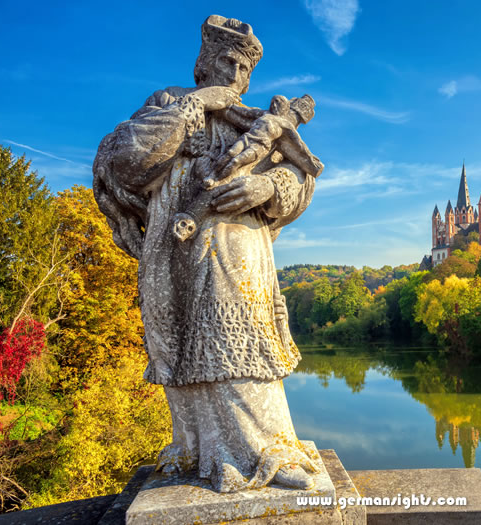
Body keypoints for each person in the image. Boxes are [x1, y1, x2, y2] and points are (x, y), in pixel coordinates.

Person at [93, 15, 321, 492]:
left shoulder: (257, 122)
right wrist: (194, 107)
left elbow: (302, 178)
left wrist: (266, 186)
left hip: (240, 251)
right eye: (227, 62)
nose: (237, 76)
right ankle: (200, 451)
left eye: (245, 69)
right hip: (174, 251)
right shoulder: (168, 104)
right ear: (204, 63)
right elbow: (124, 164)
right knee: (187, 353)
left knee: (241, 344)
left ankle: (268, 453)